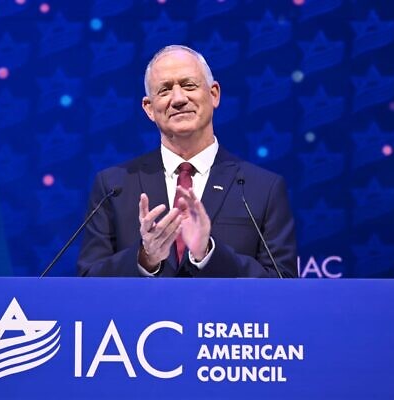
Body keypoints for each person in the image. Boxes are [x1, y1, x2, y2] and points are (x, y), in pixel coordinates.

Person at [77, 45, 297, 278]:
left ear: (214, 94)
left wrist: (208, 253)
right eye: (164, 90)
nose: (179, 99)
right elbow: (89, 280)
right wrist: (145, 257)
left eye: (189, 85)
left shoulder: (263, 188)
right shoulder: (114, 186)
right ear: (149, 109)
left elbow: (283, 284)